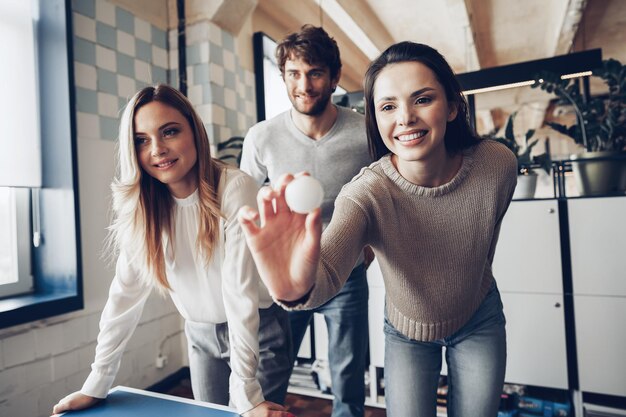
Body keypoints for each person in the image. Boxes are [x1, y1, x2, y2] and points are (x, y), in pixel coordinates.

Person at [238, 42, 518, 417]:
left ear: (452, 106)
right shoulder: (366, 192)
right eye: (388, 106)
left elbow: (482, 241)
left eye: (422, 99)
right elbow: (331, 269)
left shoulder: (497, 166)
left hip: (479, 317)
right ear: (375, 118)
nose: (405, 118)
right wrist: (293, 288)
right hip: (407, 331)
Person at [51, 84, 294, 417]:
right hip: (200, 336)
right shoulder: (143, 208)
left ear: (193, 131)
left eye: (169, 132)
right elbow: (124, 297)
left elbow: (239, 294)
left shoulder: (235, 187)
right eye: (142, 140)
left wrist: (247, 393)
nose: (158, 150)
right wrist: (97, 383)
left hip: (258, 331)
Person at [240, 25, 372, 417]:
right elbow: (243, 201)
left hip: (345, 270)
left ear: (333, 77)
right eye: (294, 73)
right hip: (284, 274)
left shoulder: (364, 132)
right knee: (273, 372)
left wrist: (366, 249)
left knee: (348, 373)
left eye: (315, 73)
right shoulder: (261, 137)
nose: (305, 84)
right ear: (283, 77)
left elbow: (383, 192)